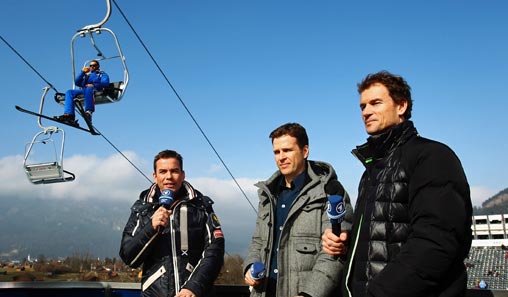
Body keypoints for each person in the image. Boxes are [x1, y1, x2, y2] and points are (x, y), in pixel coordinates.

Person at [322, 71, 472, 297]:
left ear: (401, 106)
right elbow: (383, 238)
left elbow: (435, 244)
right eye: (362, 106)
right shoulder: (373, 170)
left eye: (376, 103)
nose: (366, 112)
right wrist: (346, 247)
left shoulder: (432, 156)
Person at [243, 122, 353, 297]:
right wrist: (249, 267)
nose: (281, 157)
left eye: (287, 150)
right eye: (276, 152)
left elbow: (334, 254)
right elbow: (257, 241)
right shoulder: (268, 195)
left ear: (305, 151)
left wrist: (309, 294)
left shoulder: (330, 192)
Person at [119, 149, 225, 297]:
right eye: (163, 171)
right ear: (155, 176)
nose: (169, 177)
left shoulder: (201, 206)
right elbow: (129, 257)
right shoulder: (142, 208)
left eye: (174, 171)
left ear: (183, 175)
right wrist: (151, 227)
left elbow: (215, 250)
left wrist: (193, 287)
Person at [55, 59, 109, 125]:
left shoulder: (101, 74)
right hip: (84, 90)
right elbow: (77, 82)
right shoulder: (87, 75)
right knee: (69, 92)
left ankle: (89, 112)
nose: (92, 67)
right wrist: (82, 72)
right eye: (91, 65)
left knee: (88, 88)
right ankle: (69, 115)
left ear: (98, 66)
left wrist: (94, 85)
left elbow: (105, 83)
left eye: (94, 65)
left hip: (95, 89)